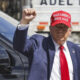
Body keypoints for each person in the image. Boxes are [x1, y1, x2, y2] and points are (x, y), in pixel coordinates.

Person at [13, 8, 80, 80]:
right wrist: (24, 22)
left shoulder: (75, 50)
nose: (60, 31)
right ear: (50, 28)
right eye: (57, 27)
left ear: (70, 30)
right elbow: (19, 46)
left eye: (64, 27)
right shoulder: (38, 44)